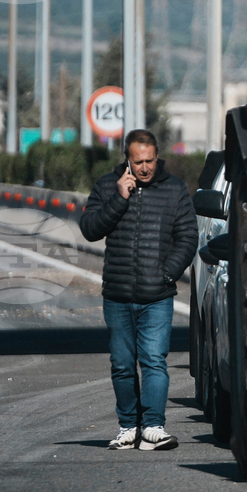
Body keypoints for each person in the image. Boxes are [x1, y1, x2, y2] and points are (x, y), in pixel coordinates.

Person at [80, 129, 198, 450]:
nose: (144, 168)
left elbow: (188, 238)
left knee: (154, 361)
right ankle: (128, 426)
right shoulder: (107, 186)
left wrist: (167, 274)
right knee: (121, 363)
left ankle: (154, 427)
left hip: (157, 295)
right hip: (117, 294)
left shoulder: (174, 190)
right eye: (138, 162)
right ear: (127, 160)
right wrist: (119, 198)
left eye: (149, 161)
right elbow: (90, 229)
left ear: (157, 157)